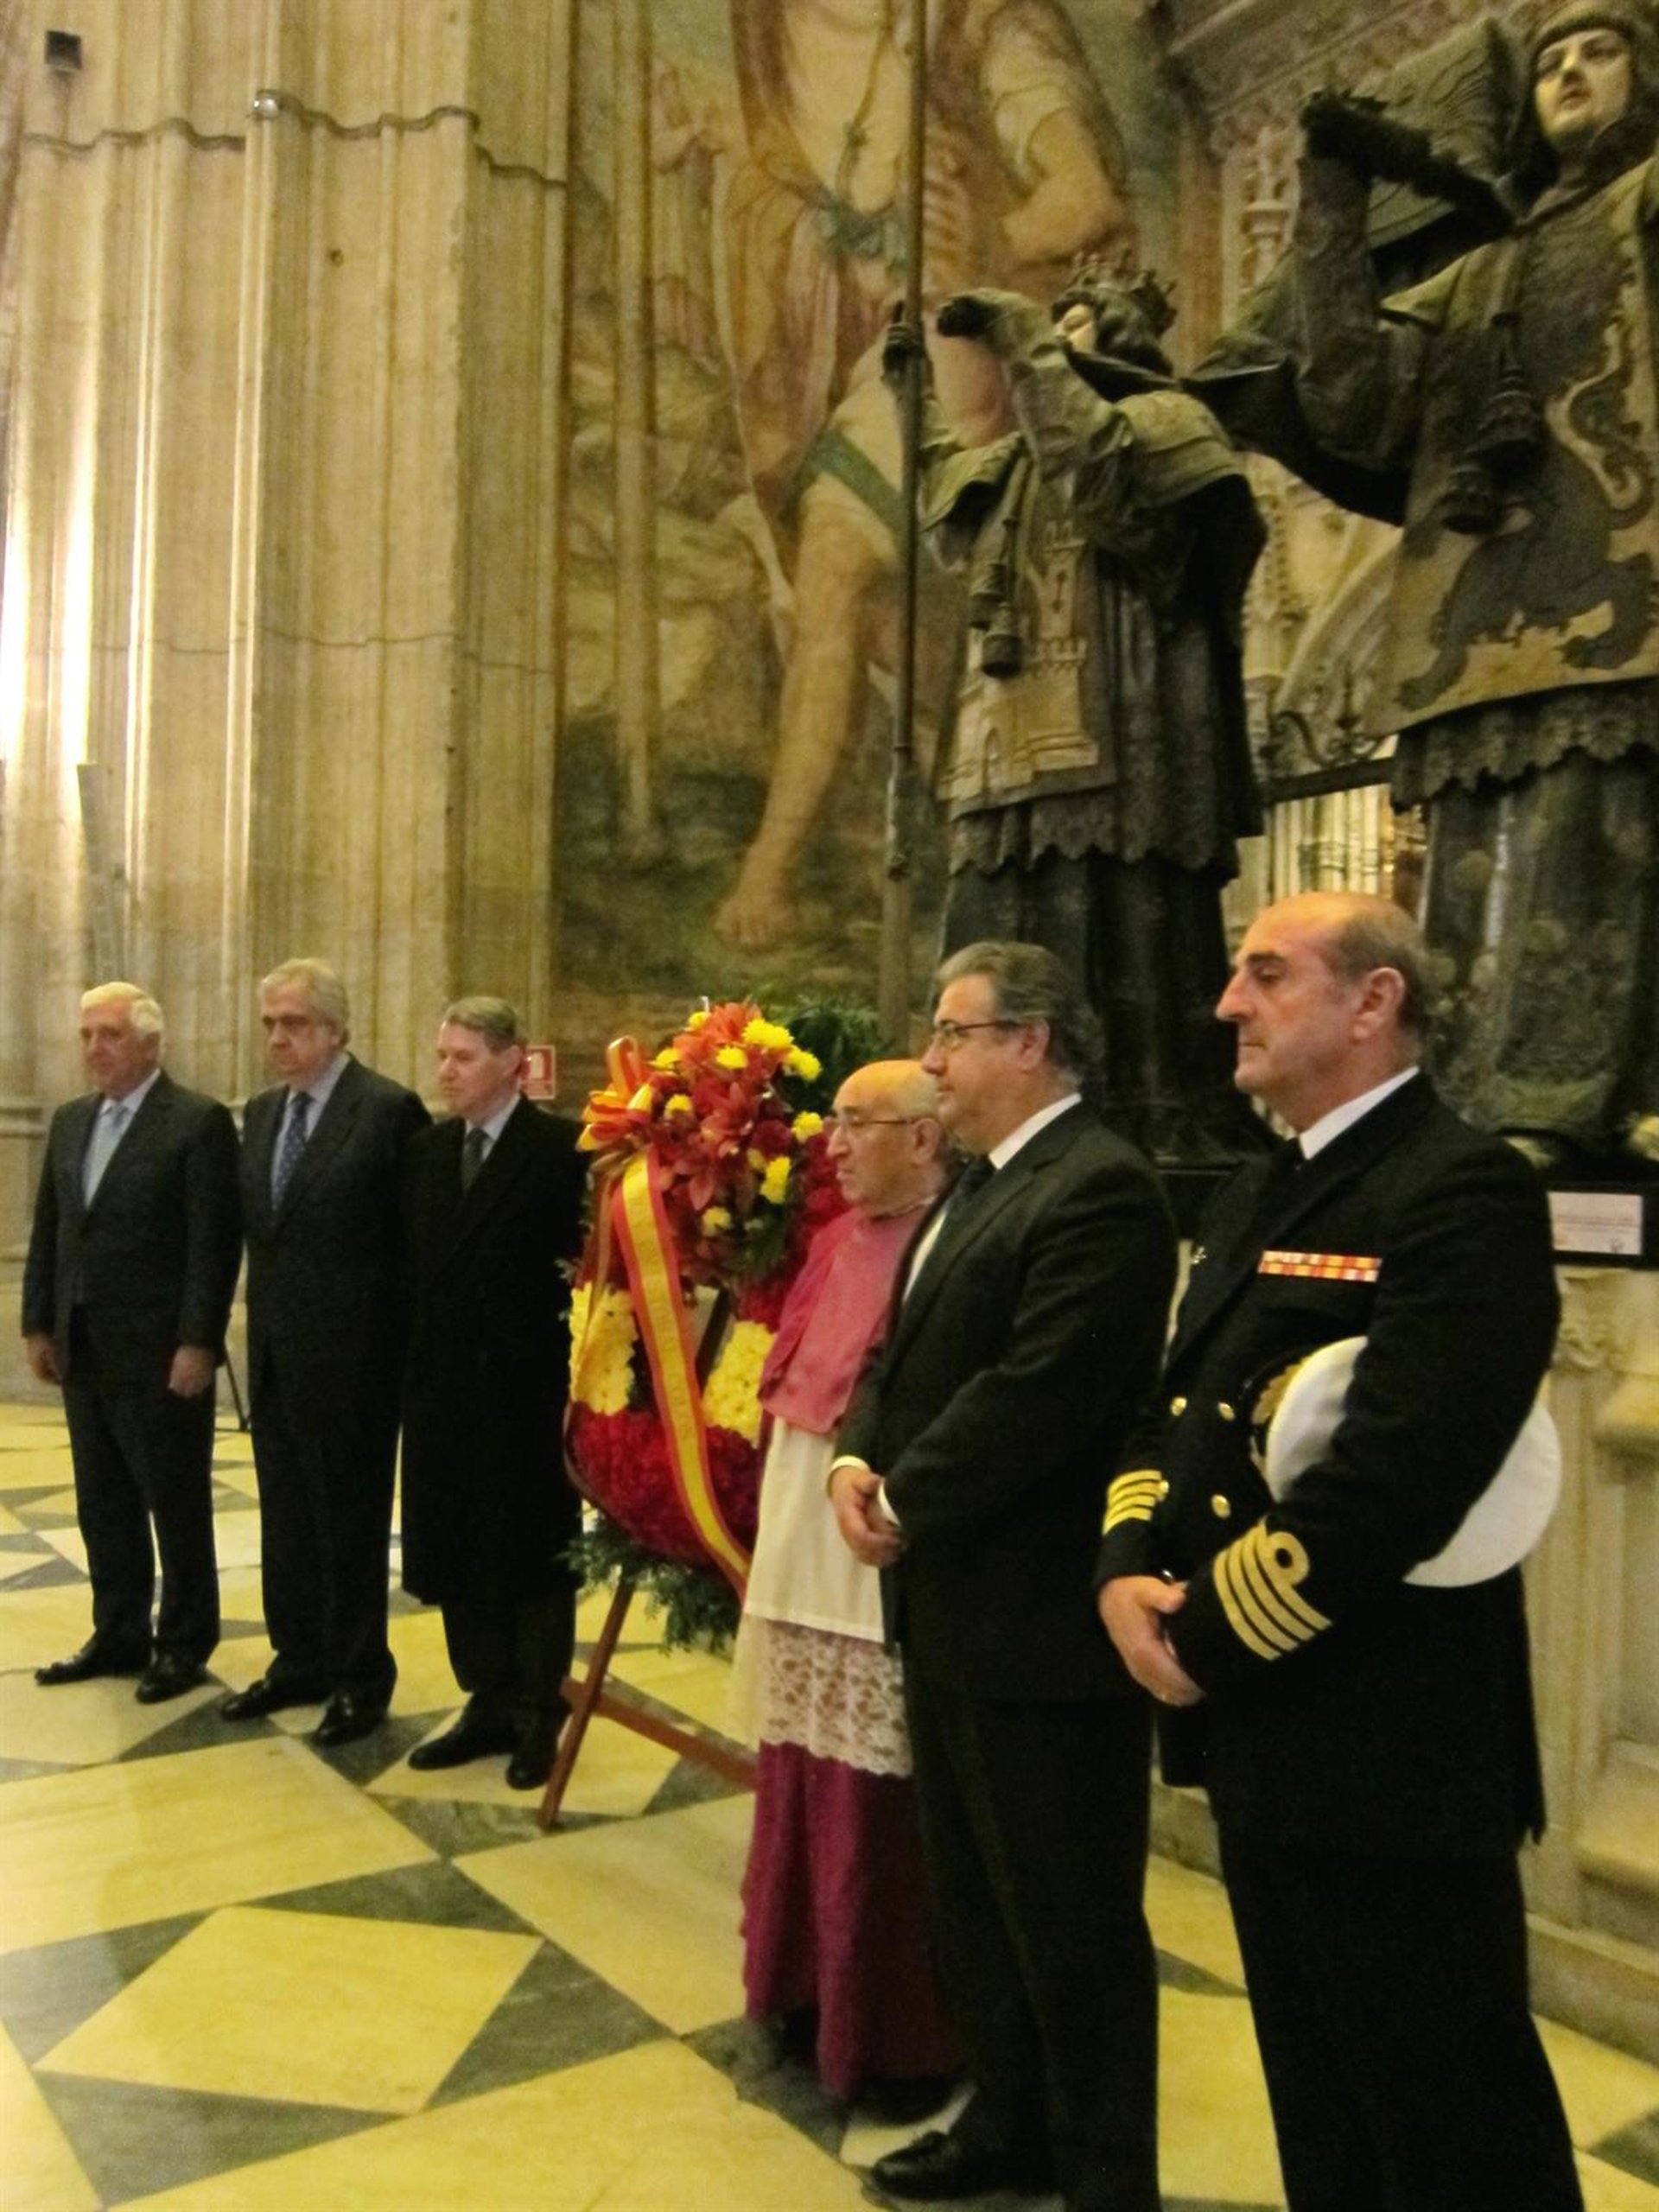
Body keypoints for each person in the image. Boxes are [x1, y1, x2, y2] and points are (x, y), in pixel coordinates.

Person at [1096, 891, 1583, 2212]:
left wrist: (1200, 1633)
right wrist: (1125, 1562)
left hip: (1390, 1740)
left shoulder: (1460, 1186)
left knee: (1450, 2126)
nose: (1226, 1004)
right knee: (1327, 2112)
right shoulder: (1266, 1185)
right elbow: (1176, 1412)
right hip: (1265, 1731)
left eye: (1267, 974)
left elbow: (1398, 1479)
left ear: (1375, 1002)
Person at [1279, 1, 1659, 1165]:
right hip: (1484, 611)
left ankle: (1581, 1104)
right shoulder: (1476, 273)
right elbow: (1353, 399)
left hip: (1625, 586)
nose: (1571, 73)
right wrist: (1333, 198)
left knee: (1603, 853)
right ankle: (1474, 1109)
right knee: (1478, 878)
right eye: (1551, 60)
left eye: (1601, 50)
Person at [830, 941, 1174, 2212]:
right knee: (975, 1900)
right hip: (950, 1607)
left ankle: (1103, 2175)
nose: (931, 1059)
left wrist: (904, 1496)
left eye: (954, 1033)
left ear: (1030, 1043)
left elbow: (1040, 1390)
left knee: (1068, 1917)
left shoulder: (1100, 1188)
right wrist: (854, 1458)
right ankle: (1009, 2127)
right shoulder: (979, 1186)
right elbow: (898, 1350)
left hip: (1040, 1624)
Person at [715, 0, 1137, 950]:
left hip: (1004, 386)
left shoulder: (992, 33)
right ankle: (772, 864)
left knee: (960, 646)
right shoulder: (847, 57)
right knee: (831, 568)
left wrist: (988, 242)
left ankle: (970, 872)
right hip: (911, 372)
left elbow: (1087, 199)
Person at [883, 270, 1268, 1163]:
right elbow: (946, 498)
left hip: (1122, 748)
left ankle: (1136, 1118)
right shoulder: (1015, 460)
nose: (1058, 339)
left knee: (1117, 938)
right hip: (1009, 755)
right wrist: (912, 394)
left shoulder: (1167, 426)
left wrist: (1023, 335)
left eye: (1082, 323)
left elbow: (1100, 478)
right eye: (1056, 325)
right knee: (999, 938)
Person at [732, 1058, 957, 2113]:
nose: (834, 1146)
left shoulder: (947, 1240)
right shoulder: (832, 1239)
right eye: (834, 1124)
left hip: (874, 1533)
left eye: (856, 1125)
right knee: (800, 1761)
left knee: (878, 1781)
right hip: (801, 1526)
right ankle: (798, 1984)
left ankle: (890, 2024)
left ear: (922, 1136)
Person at [223, 960, 429, 1746]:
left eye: (295, 1024)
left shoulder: (386, 1111)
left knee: (348, 1525)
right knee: (285, 1521)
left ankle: (358, 1677)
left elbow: (413, 1246)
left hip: (357, 1363)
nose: (278, 1038)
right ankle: (298, 1659)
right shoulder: (263, 1113)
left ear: (337, 1030)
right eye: (270, 1024)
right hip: (277, 1357)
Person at [22, 982, 240, 1702]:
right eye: (87, 1035)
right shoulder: (71, 1121)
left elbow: (212, 1243)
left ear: (151, 1043)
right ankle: (118, 1631)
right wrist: (39, 1322)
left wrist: (198, 1341)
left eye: (110, 1035)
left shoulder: (196, 1122)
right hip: (84, 1343)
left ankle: (184, 1641)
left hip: (159, 1349)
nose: (95, 1048)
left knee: (173, 1501)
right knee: (102, 1500)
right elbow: (53, 1228)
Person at [400, 998, 587, 1791]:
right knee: (457, 1545)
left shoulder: (564, 1151)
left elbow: (588, 1277)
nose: (446, 1071)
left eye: (463, 1057)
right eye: (442, 1055)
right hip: (442, 1392)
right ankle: (485, 1698)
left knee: (530, 1554)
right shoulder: (427, 1151)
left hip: (525, 1395)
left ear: (512, 1062)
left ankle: (539, 1709)